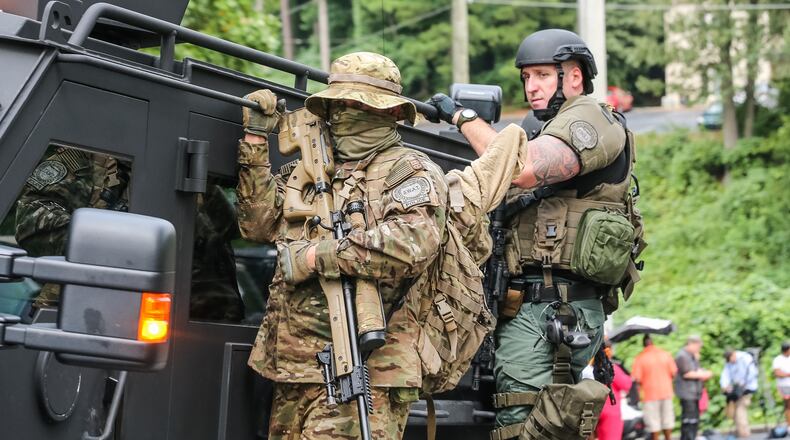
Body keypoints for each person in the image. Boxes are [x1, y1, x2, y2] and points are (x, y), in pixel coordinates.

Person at [428, 28, 640, 438]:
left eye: (542, 74)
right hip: (533, 304)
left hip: (554, 308)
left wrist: (463, 119)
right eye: (526, 77)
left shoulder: (591, 118)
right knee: (534, 421)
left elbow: (523, 168)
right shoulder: (544, 126)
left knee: (522, 423)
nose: (531, 86)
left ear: (573, 76)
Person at [237, 52, 449, 439]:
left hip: (366, 367)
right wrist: (255, 142)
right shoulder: (312, 167)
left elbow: (412, 243)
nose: (345, 113)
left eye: (358, 104)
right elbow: (257, 224)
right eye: (339, 103)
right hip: (293, 366)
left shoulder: (408, 170)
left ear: (388, 112)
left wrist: (318, 256)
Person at [14, 145, 244, 321]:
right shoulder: (86, 161)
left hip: (192, 319)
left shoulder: (194, 165)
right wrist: (113, 240)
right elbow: (31, 223)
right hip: (88, 316)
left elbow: (233, 229)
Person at [631, 335, 677, 440]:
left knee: (653, 423)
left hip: (649, 394)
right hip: (666, 392)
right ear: (653, 342)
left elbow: (637, 378)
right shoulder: (665, 354)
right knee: (668, 420)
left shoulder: (640, 358)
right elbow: (674, 373)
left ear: (643, 344)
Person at [675, 335, 713, 440]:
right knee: (689, 419)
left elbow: (696, 369)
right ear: (691, 344)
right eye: (698, 347)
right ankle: (688, 438)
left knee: (695, 419)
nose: (698, 349)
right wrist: (703, 375)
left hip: (694, 392)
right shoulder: (682, 356)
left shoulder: (692, 356)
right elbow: (687, 373)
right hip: (687, 392)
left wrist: (697, 360)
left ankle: (693, 436)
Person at [595, 340, 633, 440]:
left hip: (597, 409)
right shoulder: (611, 367)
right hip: (611, 410)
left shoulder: (593, 367)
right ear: (609, 351)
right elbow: (626, 384)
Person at [720, 348, 758, 438]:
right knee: (735, 412)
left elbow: (752, 373)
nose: (731, 362)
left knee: (740, 411)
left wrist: (743, 384)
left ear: (733, 354)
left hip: (747, 388)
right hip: (736, 389)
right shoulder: (729, 362)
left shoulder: (745, 358)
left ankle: (744, 434)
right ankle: (741, 432)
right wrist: (725, 386)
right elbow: (725, 374)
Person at [773, 341, 790, 426]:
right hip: (785, 386)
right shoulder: (778, 359)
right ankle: (789, 425)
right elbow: (777, 373)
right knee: (788, 406)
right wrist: (787, 374)